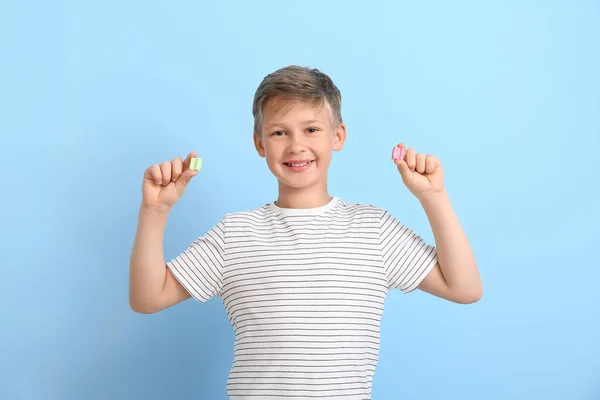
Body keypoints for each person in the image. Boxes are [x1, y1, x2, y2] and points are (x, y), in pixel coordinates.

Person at [129, 65, 482, 399]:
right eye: (279, 132)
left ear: (337, 136)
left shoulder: (374, 229)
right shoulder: (235, 234)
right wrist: (155, 211)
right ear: (259, 144)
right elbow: (147, 298)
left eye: (311, 129)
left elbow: (464, 288)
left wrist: (433, 198)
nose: (296, 145)